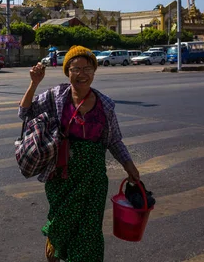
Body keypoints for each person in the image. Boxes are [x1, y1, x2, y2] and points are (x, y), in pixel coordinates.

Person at [19, 45, 140, 262]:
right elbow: (24, 112)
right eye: (75, 69)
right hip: (61, 176)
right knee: (61, 223)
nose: (81, 74)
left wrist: (128, 165)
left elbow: (114, 140)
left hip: (93, 179)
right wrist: (34, 83)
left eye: (87, 69)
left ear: (94, 72)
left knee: (89, 232)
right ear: (68, 72)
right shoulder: (57, 96)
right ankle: (54, 241)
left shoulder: (105, 105)